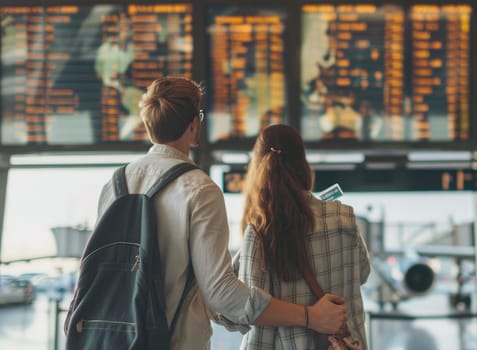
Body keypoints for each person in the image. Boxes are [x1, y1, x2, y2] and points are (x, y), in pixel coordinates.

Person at [95, 77, 347, 349]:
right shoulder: (199, 189)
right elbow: (220, 293)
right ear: (193, 125)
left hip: (111, 339)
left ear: (148, 124)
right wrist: (309, 316)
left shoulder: (117, 184)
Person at [220, 124, 371, 349]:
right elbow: (363, 273)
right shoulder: (343, 217)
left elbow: (247, 309)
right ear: (303, 165)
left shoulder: (261, 232)